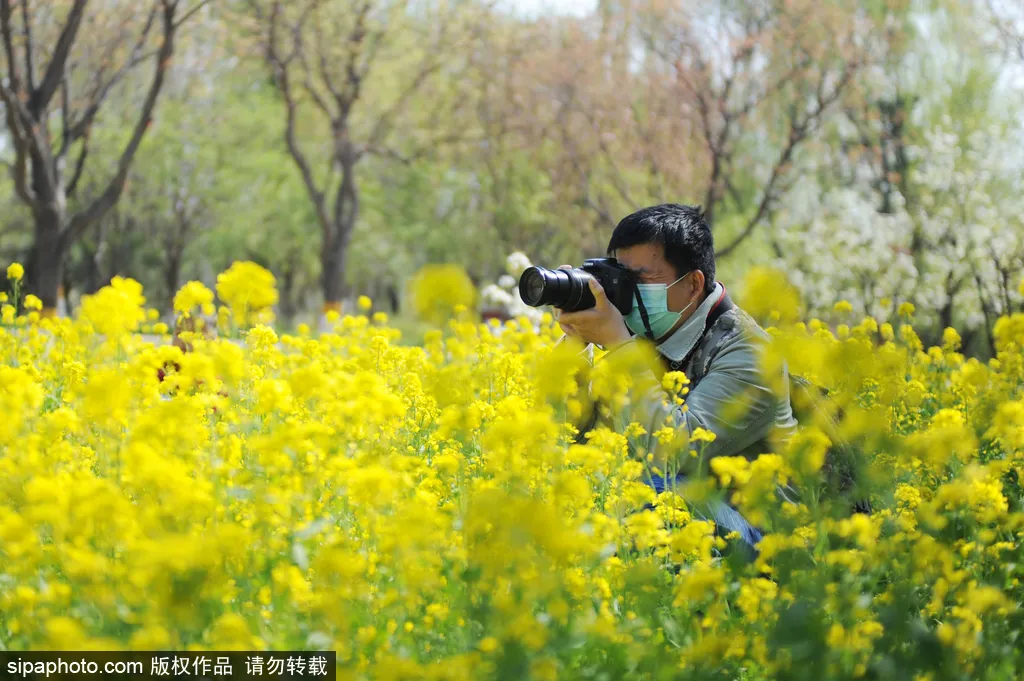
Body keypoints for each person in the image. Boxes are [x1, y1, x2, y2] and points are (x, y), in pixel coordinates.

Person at [555, 204, 798, 557]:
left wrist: (620, 346)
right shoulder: (647, 337)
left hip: (762, 539)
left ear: (693, 284)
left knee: (651, 494)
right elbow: (571, 439)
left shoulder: (750, 352)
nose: (625, 292)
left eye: (642, 278)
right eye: (620, 277)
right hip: (688, 513)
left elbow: (675, 454)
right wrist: (575, 345)